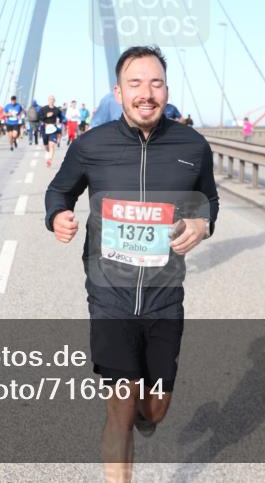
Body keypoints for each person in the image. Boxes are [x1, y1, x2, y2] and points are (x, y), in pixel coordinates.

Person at [45, 45, 219, 483]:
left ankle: (149, 411)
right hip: (110, 295)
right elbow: (58, 191)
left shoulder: (193, 146)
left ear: (166, 89)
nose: (146, 93)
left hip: (164, 296)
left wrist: (203, 222)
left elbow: (209, 199)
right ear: (118, 93)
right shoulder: (90, 146)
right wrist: (58, 217)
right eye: (135, 84)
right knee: (120, 409)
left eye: (155, 83)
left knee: (153, 408)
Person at [39, 95, 64, 167]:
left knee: (52, 145)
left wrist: (60, 121)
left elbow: (61, 117)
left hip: (53, 128)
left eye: (53, 99)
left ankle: (50, 159)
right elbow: (39, 117)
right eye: (50, 99)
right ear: (48, 100)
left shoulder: (57, 109)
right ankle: (47, 151)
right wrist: (46, 116)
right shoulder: (43, 109)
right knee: (46, 144)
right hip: (45, 127)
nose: (51, 101)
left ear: (54, 101)